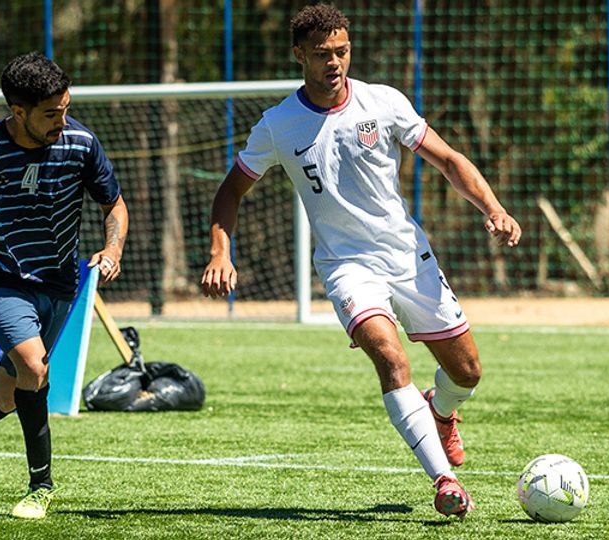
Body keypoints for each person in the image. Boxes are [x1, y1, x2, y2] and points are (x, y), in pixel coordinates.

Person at [200, 4, 520, 519]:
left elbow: (449, 160)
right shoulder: (278, 124)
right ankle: (445, 481)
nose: (335, 62)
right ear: (299, 55)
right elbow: (230, 192)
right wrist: (221, 249)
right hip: (347, 266)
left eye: (342, 51)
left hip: (406, 255)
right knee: (390, 358)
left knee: (468, 372)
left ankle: (441, 412)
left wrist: (494, 208)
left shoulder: (383, 102)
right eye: (323, 54)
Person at [0, 52, 129, 519]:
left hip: (60, 281)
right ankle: (41, 487)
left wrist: (112, 249)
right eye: (50, 113)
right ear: (18, 113)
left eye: (66, 108)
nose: (62, 120)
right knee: (34, 368)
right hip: (1, 277)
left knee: (9, 391)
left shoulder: (81, 143)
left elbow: (113, 205)